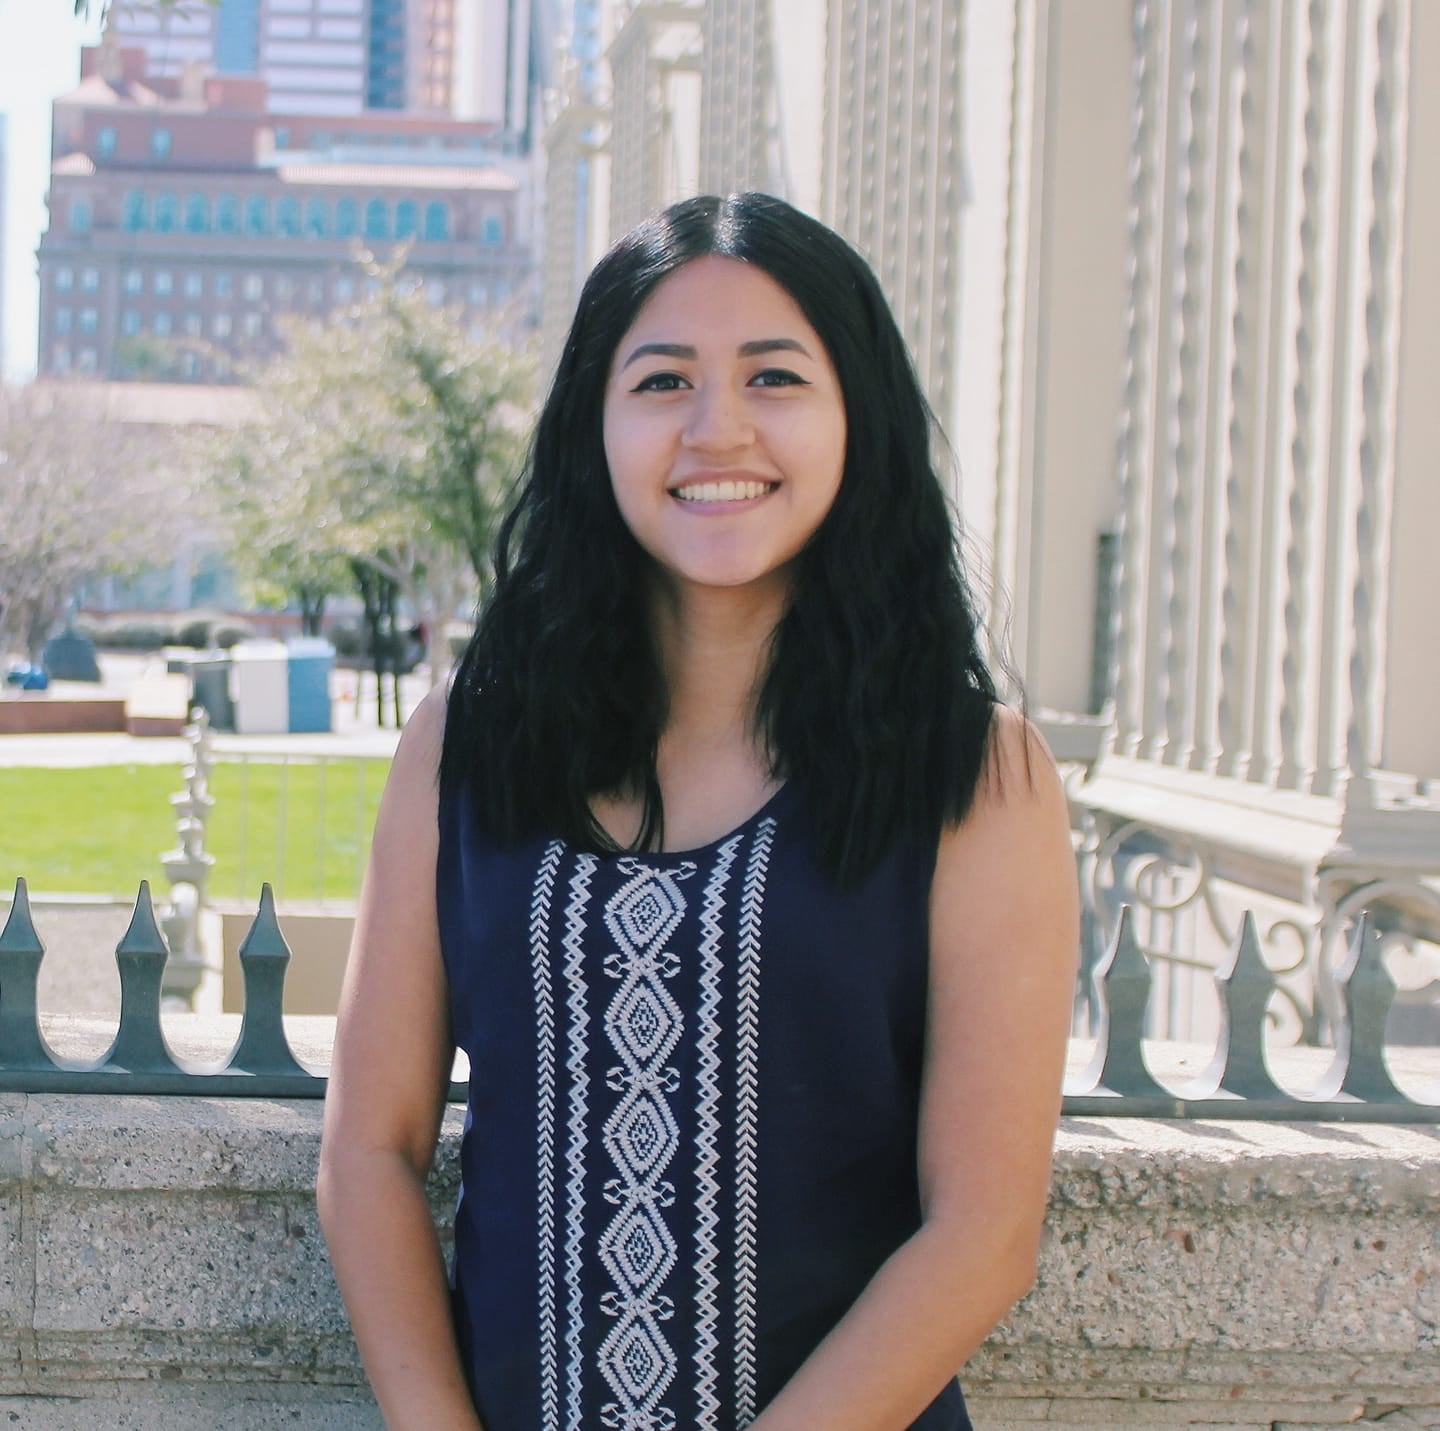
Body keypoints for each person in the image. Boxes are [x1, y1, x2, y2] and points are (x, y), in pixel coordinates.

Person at [317, 192, 1078, 1431]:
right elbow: (369, 1154)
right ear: (592, 428)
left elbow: (983, 1235)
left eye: (775, 376)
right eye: (663, 383)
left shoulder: (976, 776)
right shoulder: (468, 744)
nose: (717, 429)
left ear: (856, 419)